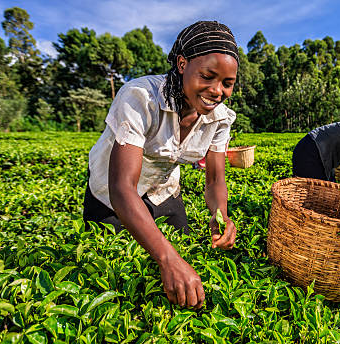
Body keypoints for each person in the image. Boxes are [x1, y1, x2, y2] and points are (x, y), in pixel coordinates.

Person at [82, 21, 239, 309]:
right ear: (182, 64)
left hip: (163, 191)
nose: (217, 91)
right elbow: (122, 188)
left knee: (188, 258)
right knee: (124, 273)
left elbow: (215, 179)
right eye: (208, 76)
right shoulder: (140, 97)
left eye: (227, 83)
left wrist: (220, 215)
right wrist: (168, 259)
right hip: (111, 196)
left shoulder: (221, 118)